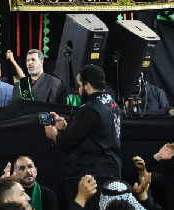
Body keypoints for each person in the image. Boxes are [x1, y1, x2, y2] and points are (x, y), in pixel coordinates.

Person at [44, 65, 121, 210]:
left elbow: (66, 142)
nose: (78, 91)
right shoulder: (112, 104)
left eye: (80, 86)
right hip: (111, 171)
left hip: (91, 175)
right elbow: (94, 133)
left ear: (88, 86)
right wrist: (67, 126)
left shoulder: (90, 108)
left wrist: (53, 133)